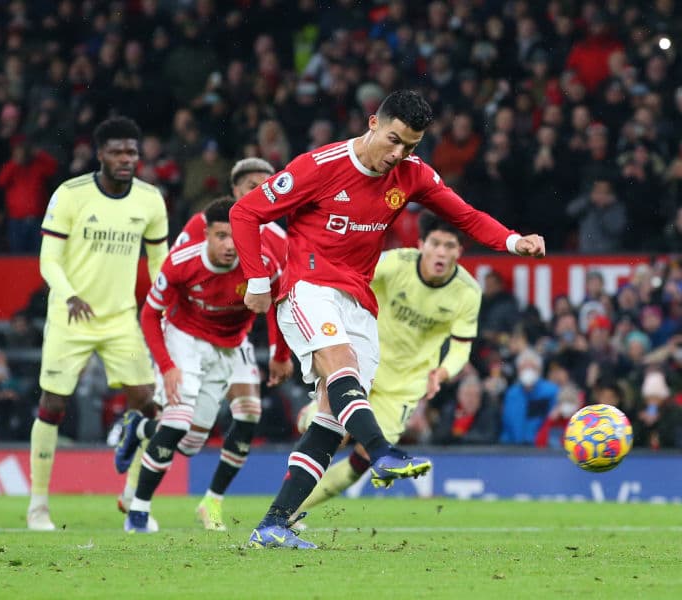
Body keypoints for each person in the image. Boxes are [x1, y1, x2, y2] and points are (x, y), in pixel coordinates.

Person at [230, 89, 545, 549]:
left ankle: (274, 524)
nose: (398, 154)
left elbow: (467, 216)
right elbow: (245, 211)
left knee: (332, 421)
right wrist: (257, 280)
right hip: (308, 286)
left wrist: (514, 242)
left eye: (411, 146)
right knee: (342, 367)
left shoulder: (411, 174)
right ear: (372, 123)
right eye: (394, 139)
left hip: (358, 300)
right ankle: (381, 451)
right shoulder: (318, 166)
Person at [114, 198, 290, 533]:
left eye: (235, 236)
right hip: (184, 341)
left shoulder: (263, 263)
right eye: (221, 236)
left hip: (227, 348)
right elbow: (150, 314)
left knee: (190, 444)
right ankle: (139, 511)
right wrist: (167, 366)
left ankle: (137, 428)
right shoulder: (181, 262)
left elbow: (280, 305)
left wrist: (280, 354)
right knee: (177, 422)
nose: (229, 245)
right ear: (206, 234)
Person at [27, 117, 168, 531]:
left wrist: (163, 302)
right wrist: (68, 293)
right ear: (100, 154)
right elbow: (48, 259)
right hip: (70, 316)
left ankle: (133, 499)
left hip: (120, 318)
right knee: (53, 404)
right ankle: (38, 505)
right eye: (118, 152)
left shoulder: (150, 200)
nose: (126, 159)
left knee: (151, 407)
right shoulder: (70, 195)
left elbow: (159, 261)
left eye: (132, 152)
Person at [293, 211, 483, 515]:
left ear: (459, 251)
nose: (442, 252)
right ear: (421, 243)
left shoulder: (468, 292)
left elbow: (462, 347)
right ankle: (312, 414)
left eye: (450, 246)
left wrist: (443, 372)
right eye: (435, 243)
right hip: (364, 364)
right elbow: (351, 278)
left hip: (405, 387)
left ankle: (292, 510)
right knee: (335, 438)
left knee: (363, 460)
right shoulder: (395, 263)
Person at [163, 156, 291, 531]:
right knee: (185, 433)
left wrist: (281, 353)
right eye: (253, 187)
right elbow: (176, 276)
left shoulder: (279, 239)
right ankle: (141, 436)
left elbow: (276, 298)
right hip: (191, 331)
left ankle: (212, 501)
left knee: (249, 413)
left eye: (271, 186)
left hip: (236, 337)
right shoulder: (203, 226)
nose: (264, 193)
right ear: (235, 192)